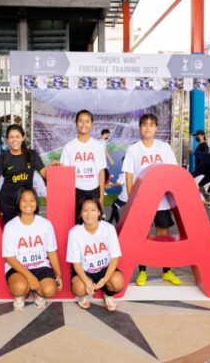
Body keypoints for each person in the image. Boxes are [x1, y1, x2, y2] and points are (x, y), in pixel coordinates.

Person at [122, 113, 182, 286]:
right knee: (143, 237)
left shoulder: (164, 148)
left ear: (156, 128)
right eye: (144, 125)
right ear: (139, 127)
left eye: (151, 125)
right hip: (142, 203)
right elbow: (129, 175)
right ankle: (142, 272)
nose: (147, 128)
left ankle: (167, 270)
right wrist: (133, 200)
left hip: (162, 201)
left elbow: (172, 172)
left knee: (163, 236)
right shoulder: (134, 149)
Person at [2, 187, 62, 310]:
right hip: (18, 268)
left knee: (50, 290)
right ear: (18, 203)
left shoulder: (45, 224)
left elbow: (51, 252)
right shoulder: (11, 226)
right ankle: (21, 294)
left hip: (40, 266)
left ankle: (38, 294)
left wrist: (58, 274)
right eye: (24, 200)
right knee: (19, 287)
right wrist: (30, 277)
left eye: (32, 200)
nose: (28, 204)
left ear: (37, 203)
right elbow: (10, 258)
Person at [67, 195, 124, 311]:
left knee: (117, 282)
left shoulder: (108, 229)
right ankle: (84, 295)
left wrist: (105, 278)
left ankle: (108, 295)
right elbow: (76, 263)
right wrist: (86, 281)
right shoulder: (74, 233)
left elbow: (115, 257)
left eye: (93, 210)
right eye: (85, 210)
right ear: (80, 213)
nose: (89, 214)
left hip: (104, 269)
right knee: (79, 288)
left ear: (99, 212)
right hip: (85, 270)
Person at [0, 125, 51, 223]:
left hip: (26, 202)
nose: (14, 140)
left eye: (17, 136)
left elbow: (44, 173)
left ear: (23, 138)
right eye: (11, 137)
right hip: (8, 203)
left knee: (27, 232)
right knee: (11, 232)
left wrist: (54, 168)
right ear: (7, 140)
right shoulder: (3, 157)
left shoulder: (31, 155)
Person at [60, 110, 107, 219]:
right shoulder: (69, 146)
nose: (83, 124)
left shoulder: (98, 146)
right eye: (80, 121)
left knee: (94, 224)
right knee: (76, 223)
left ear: (92, 124)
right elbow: (64, 173)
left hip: (93, 189)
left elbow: (101, 172)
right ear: (76, 123)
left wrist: (101, 198)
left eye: (87, 121)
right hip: (75, 191)